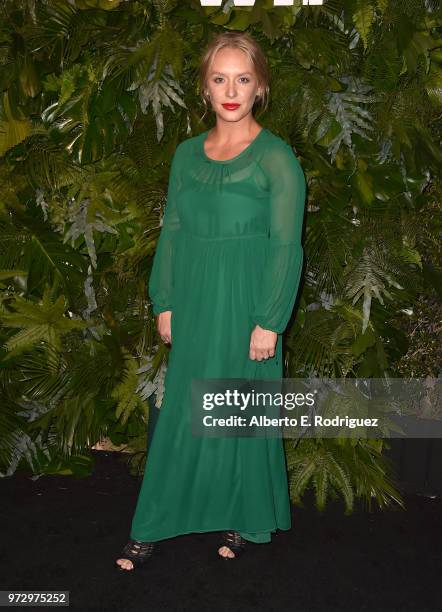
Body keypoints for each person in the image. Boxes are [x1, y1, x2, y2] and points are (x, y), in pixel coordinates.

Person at [116, 31, 306, 570]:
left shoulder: (276, 158)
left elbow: (287, 245)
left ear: (260, 86)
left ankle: (245, 518)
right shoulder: (184, 155)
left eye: (242, 79)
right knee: (183, 412)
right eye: (219, 78)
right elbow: (172, 228)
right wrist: (165, 299)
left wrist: (270, 319)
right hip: (196, 299)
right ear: (205, 87)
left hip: (249, 304)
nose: (231, 90)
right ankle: (155, 521)